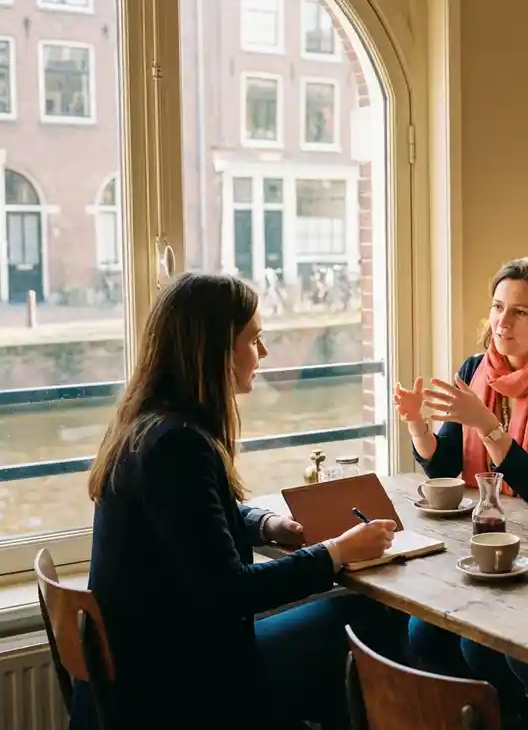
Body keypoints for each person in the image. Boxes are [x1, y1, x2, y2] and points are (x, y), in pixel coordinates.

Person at [71, 273, 399, 730]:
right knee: (364, 618)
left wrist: (266, 524)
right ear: (216, 351)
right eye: (254, 339)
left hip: (144, 667)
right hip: (181, 687)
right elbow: (231, 591)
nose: (262, 353)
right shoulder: (179, 446)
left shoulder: (148, 427)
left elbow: (194, 521)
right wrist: (336, 553)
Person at [393, 256, 528, 722]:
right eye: (499, 306)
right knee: (423, 634)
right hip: (480, 538)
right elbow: (444, 467)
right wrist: (419, 425)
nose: (503, 320)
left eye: (520, 311)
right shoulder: (476, 368)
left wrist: (485, 423)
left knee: (474, 647)